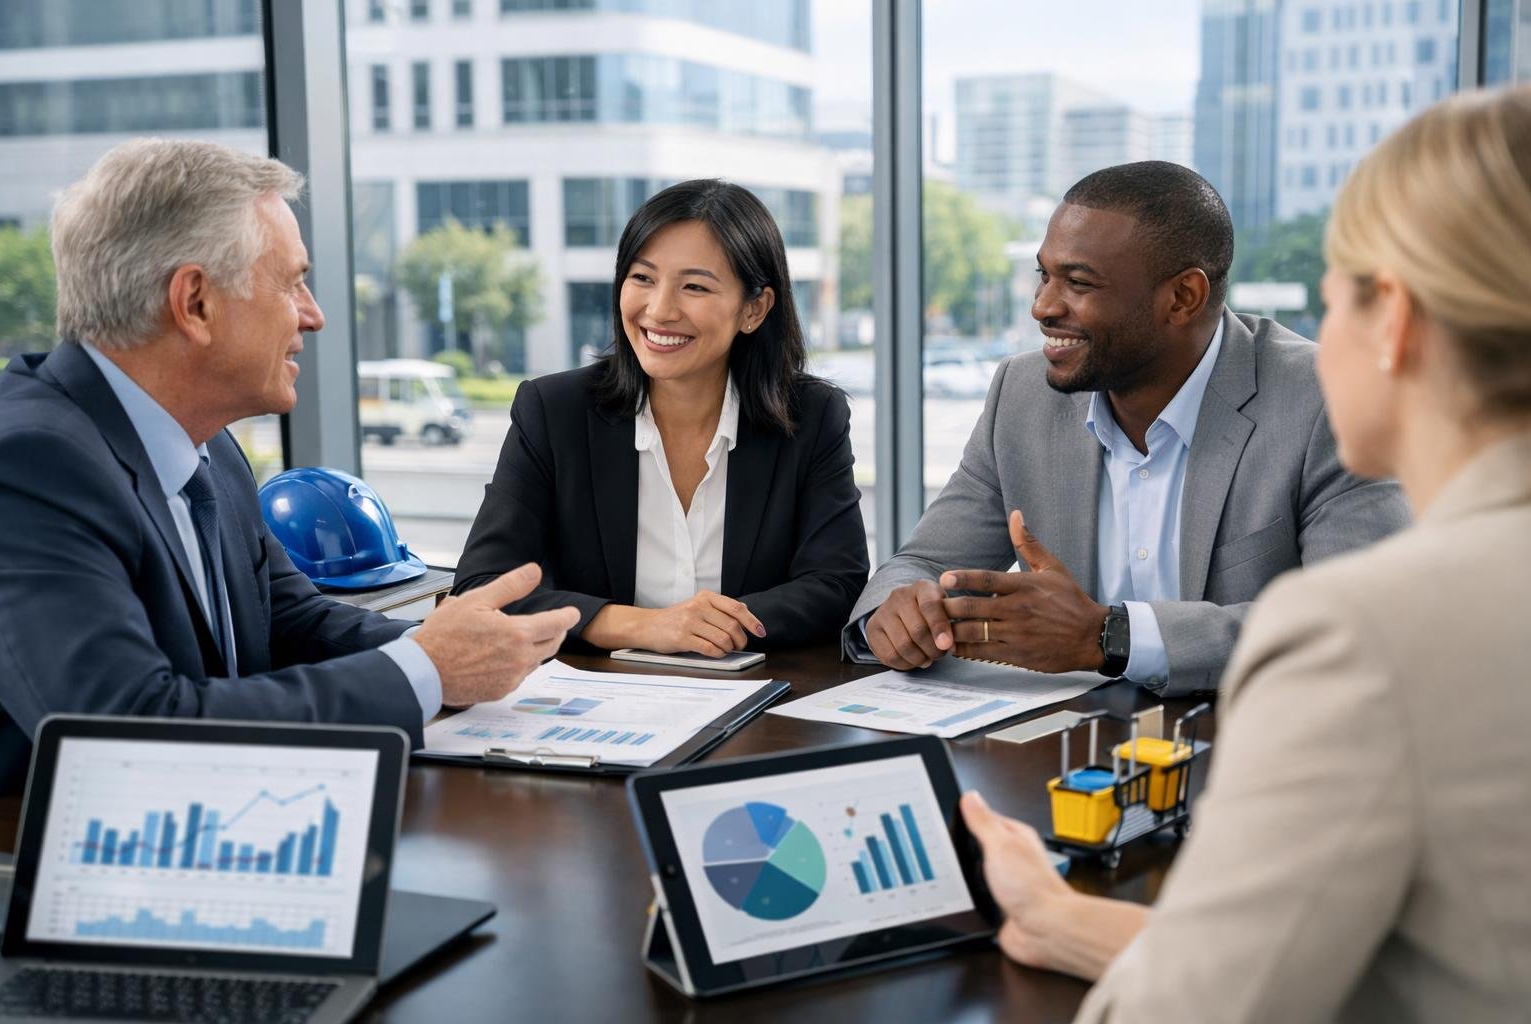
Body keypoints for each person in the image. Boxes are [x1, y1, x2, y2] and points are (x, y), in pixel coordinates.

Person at [961, 85, 1531, 1021]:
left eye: (1333, 290)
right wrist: (1060, 918)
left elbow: (1193, 1009)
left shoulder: (1364, 638)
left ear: (1393, 319)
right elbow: (1399, 954)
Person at [0, 139, 580, 795]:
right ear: (194, 303)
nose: (314, 314)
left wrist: (463, 648)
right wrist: (426, 669)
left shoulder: (207, 444)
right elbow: (123, 730)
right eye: (293, 282)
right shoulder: (25, 465)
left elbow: (291, 623)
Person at [844, 161, 1409, 695]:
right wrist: (897, 612)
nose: (1042, 306)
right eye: (1044, 275)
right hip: (1067, 754)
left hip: (1259, 748)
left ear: (1183, 297)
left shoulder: (1326, 399)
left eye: (1079, 284)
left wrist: (1109, 638)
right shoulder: (1021, 395)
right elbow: (923, 565)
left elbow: (1364, 626)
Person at [453, 180, 868, 654]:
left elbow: (838, 584)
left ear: (754, 309)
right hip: (593, 701)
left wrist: (711, 627)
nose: (659, 309)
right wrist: (642, 626)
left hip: (755, 697)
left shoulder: (811, 416)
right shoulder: (553, 410)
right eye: (642, 278)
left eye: (694, 286)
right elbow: (482, 588)